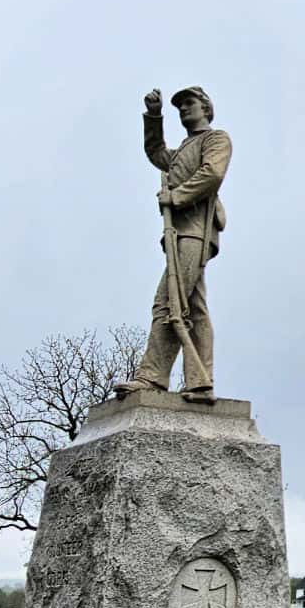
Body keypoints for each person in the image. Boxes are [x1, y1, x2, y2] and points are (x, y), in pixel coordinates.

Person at [114, 86, 231, 401]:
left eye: (190, 103)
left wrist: (176, 197)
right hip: (178, 233)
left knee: (170, 303)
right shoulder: (182, 151)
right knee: (193, 306)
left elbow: (211, 174)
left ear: (206, 107)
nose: (184, 110)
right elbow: (156, 153)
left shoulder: (216, 139)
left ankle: (152, 378)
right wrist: (154, 117)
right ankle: (200, 381)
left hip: (196, 229)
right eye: (179, 106)